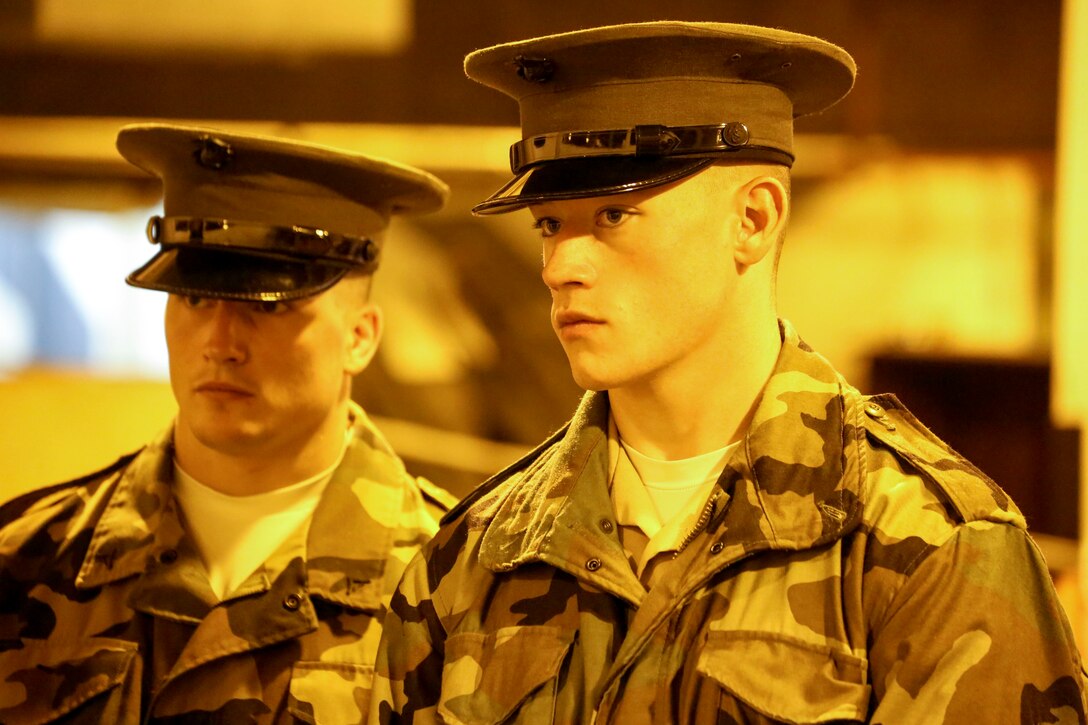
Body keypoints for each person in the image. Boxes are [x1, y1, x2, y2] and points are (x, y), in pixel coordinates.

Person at [372, 21, 1087, 724]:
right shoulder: (475, 558)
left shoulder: (925, 548)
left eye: (615, 216)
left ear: (753, 218)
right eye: (550, 225)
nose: (561, 267)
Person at [0, 123, 458, 723]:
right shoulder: (26, 564)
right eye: (194, 299)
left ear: (359, 336)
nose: (219, 342)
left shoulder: (453, 589)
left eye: (268, 306)